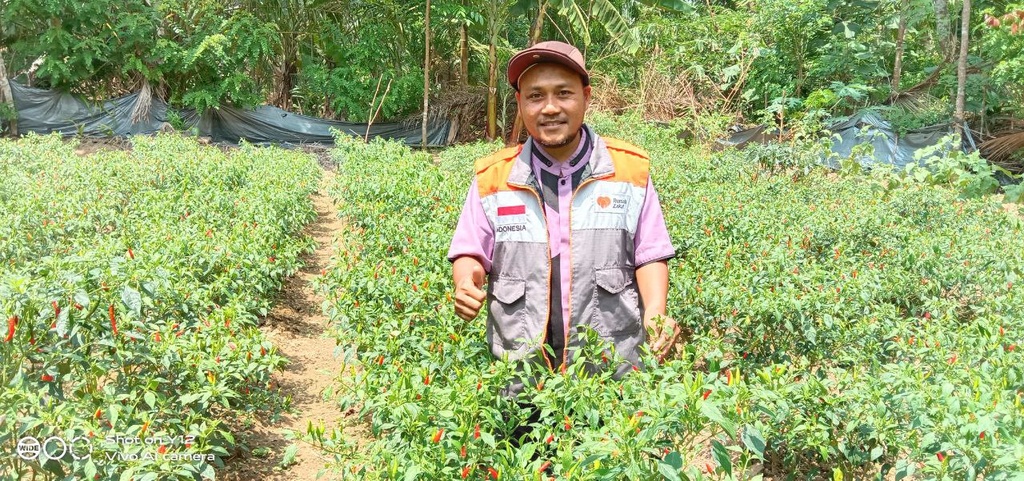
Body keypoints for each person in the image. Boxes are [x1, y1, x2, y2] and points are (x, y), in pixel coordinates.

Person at [447, 40, 680, 389]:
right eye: (536, 96)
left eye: (564, 93)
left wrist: (656, 310)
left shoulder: (629, 171)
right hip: (519, 373)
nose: (550, 108)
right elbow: (471, 251)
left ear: (586, 97)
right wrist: (466, 282)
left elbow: (650, 254)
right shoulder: (492, 178)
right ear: (520, 103)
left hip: (610, 370)